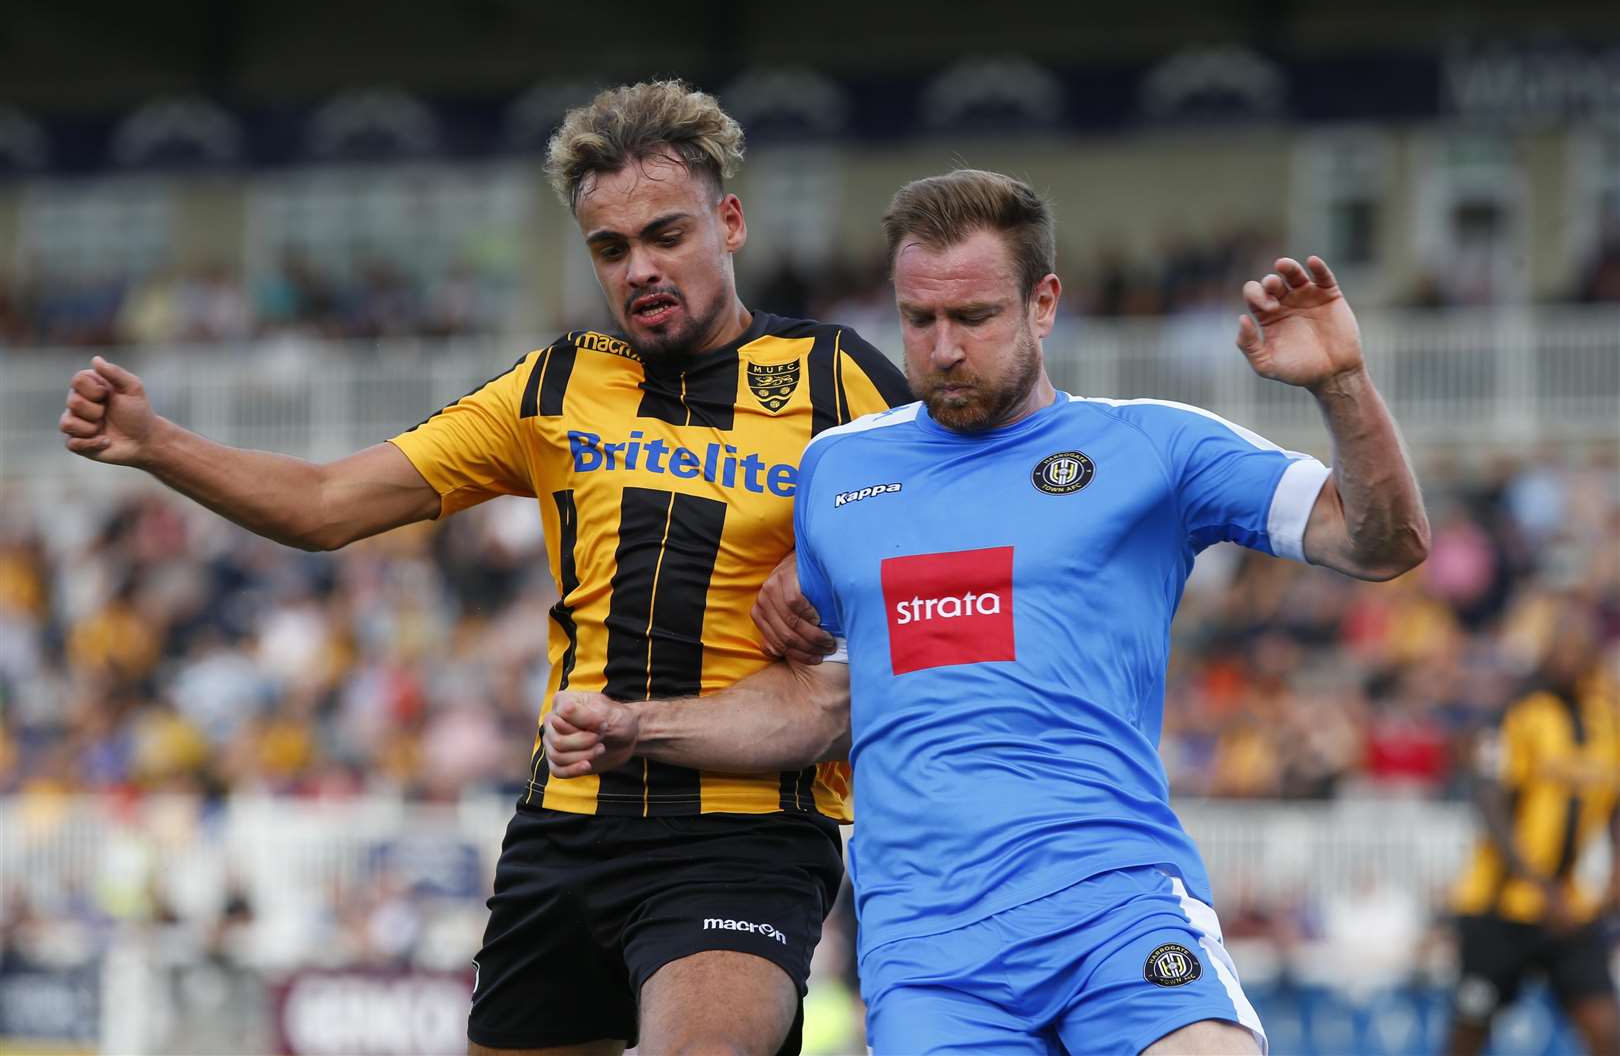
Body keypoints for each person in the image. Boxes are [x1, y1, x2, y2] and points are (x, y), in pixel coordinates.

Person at [57, 80, 910, 1056]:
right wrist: (158, 442)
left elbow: (958, 533)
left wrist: (826, 561)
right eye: (611, 248)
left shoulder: (839, 378)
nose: (640, 268)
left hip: (745, 829)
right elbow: (328, 505)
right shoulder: (553, 386)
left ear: (730, 222)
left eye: (666, 236)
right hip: (567, 828)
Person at [543, 169, 1431, 1054]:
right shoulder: (839, 471)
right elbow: (829, 700)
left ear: (1043, 304)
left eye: (974, 318)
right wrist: (636, 724)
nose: (943, 349)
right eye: (918, 319)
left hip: (1117, 907)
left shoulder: (1152, 445)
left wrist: (1342, 384)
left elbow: (1383, 542)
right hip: (930, 954)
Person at [1446, 607, 1620, 1056]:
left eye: (1578, 649)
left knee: (1605, 1030)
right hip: (1499, 909)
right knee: (1470, 1030)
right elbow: (1490, 805)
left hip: (1569, 913)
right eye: (1559, 648)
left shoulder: (1607, 723)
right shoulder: (1518, 715)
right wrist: (1538, 883)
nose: (1567, 658)